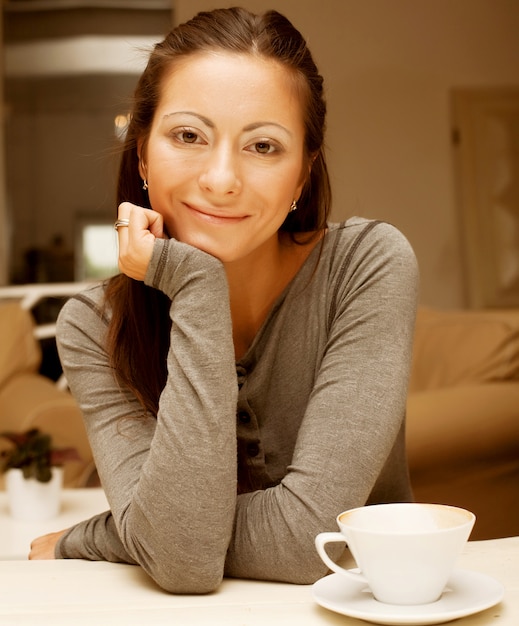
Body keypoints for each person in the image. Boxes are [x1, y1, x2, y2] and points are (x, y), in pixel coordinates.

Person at [29, 7, 419, 593]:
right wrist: (196, 284)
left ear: (303, 174)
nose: (221, 178)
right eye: (188, 135)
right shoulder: (92, 326)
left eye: (263, 146)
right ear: (141, 153)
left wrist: (110, 534)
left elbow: (316, 541)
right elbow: (182, 562)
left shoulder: (367, 265)